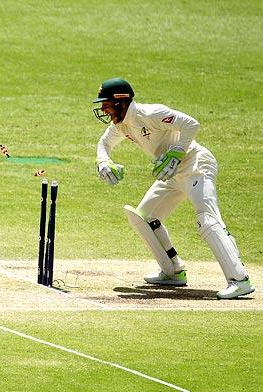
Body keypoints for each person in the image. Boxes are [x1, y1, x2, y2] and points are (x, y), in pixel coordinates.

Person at [92, 78, 254, 299]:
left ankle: (240, 280)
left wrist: (177, 151)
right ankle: (173, 272)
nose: (103, 109)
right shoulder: (121, 125)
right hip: (170, 174)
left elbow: (191, 124)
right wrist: (104, 162)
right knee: (144, 218)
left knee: (207, 219)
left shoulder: (150, 113)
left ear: (121, 101)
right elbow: (104, 144)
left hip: (196, 165)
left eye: (106, 104)